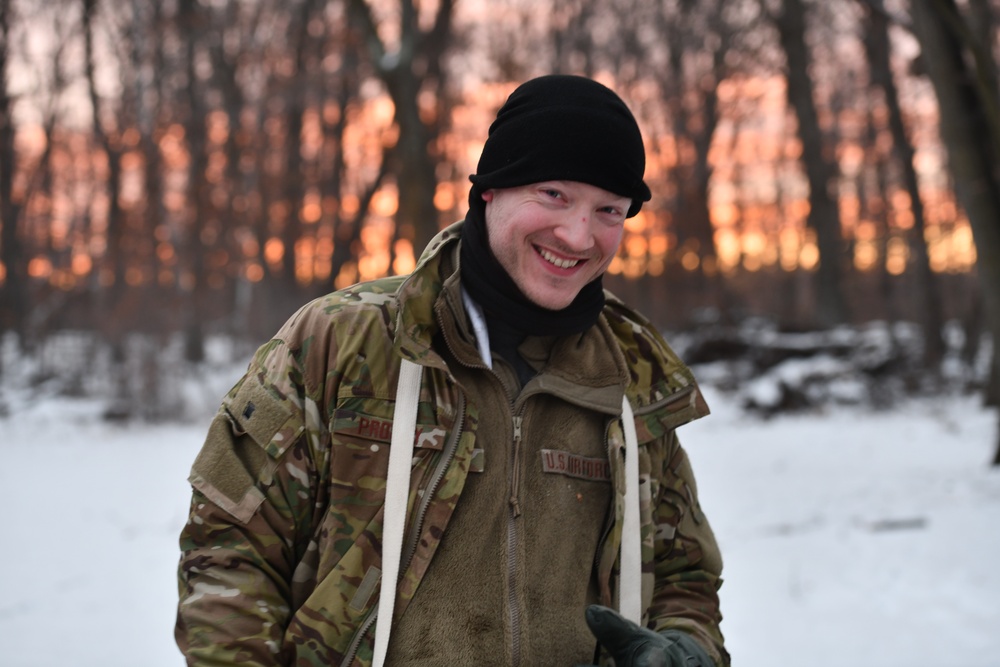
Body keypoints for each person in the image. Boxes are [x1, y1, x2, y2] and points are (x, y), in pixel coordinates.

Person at [176, 74, 728, 667]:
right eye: (553, 195)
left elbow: (682, 577)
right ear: (491, 189)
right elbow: (231, 552)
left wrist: (685, 652)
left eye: (609, 211)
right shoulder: (341, 341)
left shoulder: (631, 377)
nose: (578, 235)